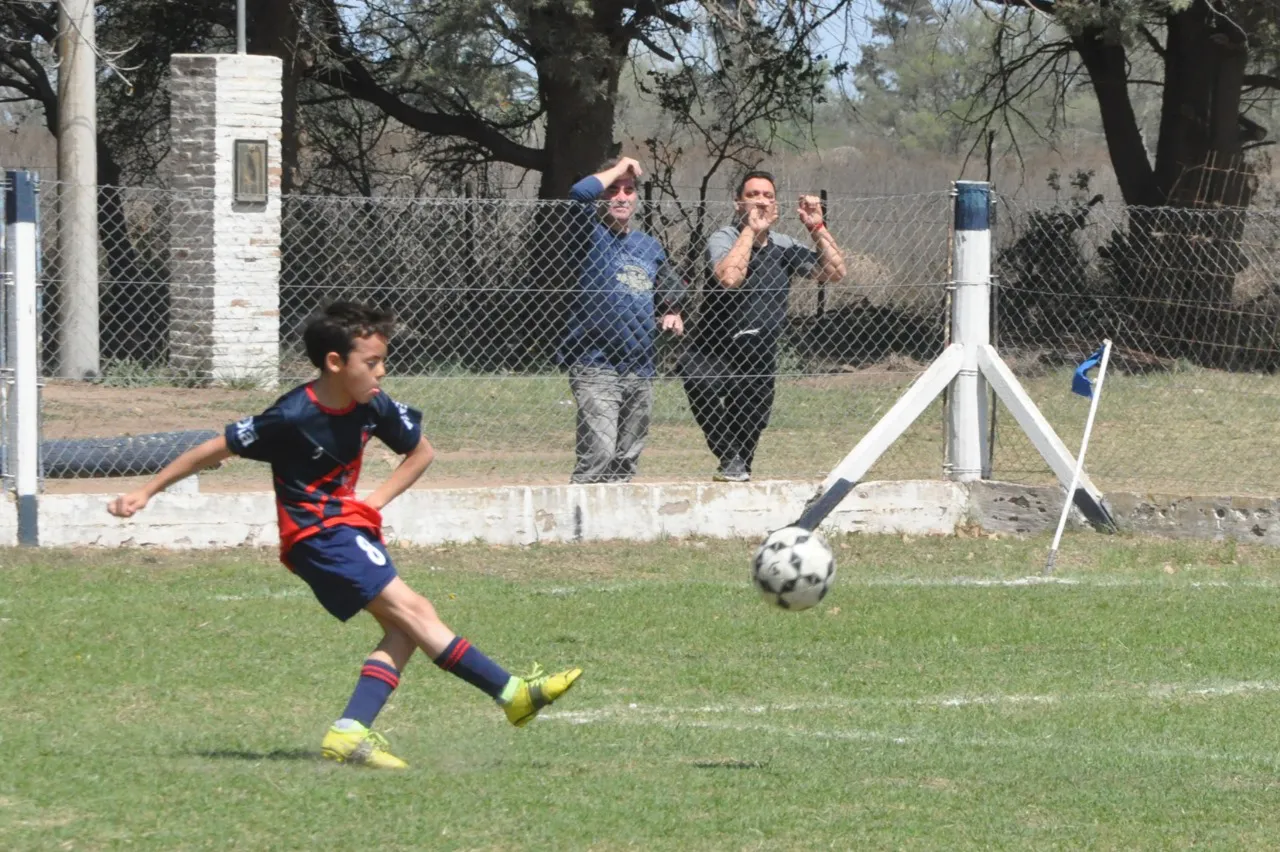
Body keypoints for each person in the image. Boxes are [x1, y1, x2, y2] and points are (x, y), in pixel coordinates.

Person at [106, 301, 582, 770]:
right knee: (414, 612)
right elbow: (213, 449)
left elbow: (421, 453)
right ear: (335, 362)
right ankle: (512, 693)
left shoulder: (372, 404)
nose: (381, 373)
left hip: (347, 529)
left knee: (408, 626)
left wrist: (372, 504)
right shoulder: (292, 415)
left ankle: (350, 731)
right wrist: (145, 492)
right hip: (316, 536)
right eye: (371, 363)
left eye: (383, 361)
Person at [680, 170, 847, 482]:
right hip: (713, 350)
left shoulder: (784, 246)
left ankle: (737, 471)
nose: (760, 202)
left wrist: (817, 228)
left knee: (751, 427)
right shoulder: (724, 238)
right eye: (752, 195)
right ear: (738, 204)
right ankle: (729, 458)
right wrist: (749, 233)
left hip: (758, 356)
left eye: (767, 196)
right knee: (698, 384)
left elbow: (835, 272)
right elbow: (730, 278)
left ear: (776, 207)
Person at [559, 156, 687, 483]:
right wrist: (618, 168)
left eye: (629, 190)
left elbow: (668, 284)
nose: (621, 196)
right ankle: (579, 522)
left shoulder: (648, 246)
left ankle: (616, 522)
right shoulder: (587, 234)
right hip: (593, 361)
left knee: (627, 455)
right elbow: (578, 194)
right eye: (614, 189)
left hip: (639, 363)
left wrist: (671, 310)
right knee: (599, 451)